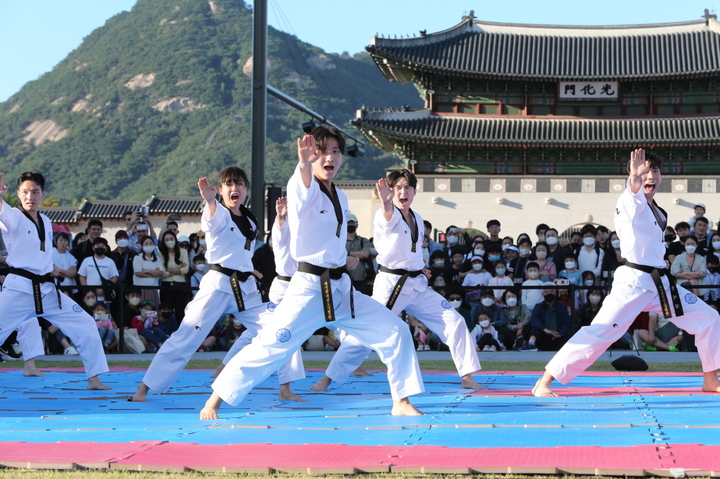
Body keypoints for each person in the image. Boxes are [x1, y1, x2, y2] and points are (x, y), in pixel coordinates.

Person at [199, 127, 425, 419]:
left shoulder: (341, 197)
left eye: (335, 151)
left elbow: (331, 241)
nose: (329, 157)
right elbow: (303, 184)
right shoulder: (303, 185)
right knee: (271, 346)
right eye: (322, 152)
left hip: (341, 290)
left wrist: (345, 261)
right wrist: (304, 164)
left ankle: (402, 401)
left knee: (396, 331)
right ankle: (215, 399)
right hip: (307, 290)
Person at [532, 149, 720, 397]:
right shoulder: (630, 202)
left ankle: (710, 379)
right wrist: (634, 177)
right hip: (633, 282)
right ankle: (545, 381)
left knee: (709, 318)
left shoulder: (659, 211)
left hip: (660, 284)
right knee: (601, 331)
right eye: (645, 171)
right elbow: (633, 191)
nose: (649, 176)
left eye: (654, 170)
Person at [310, 169, 482, 393]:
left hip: (417, 284)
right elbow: (388, 215)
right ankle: (328, 378)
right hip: (392, 285)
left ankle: (467, 376)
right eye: (397, 187)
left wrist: (420, 268)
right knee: (367, 330)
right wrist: (385, 203)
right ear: (390, 192)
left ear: (415, 191)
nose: (403, 192)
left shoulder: (418, 218)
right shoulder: (385, 214)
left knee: (454, 321)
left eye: (407, 187)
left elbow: (409, 252)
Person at [131, 166, 270, 403]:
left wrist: (250, 270)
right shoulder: (219, 213)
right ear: (222, 190)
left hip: (245, 290)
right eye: (228, 184)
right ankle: (144, 388)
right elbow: (212, 221)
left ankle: (283, 386)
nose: (234, 188)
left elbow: (242, 252)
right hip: (218, 286)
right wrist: (210, 200)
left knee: (277, 329)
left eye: (239, 184)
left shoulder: (250, 218)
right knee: (186, 337)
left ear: (246, 189)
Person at [0, 171, 109, 389]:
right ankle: (30, 365)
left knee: (86, 323)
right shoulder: (13, 216)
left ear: (42, 194)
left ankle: (94, 378)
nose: (30, 196)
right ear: (18, 194)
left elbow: (41, 252)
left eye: (35, 192)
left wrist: (51, 268)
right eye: (25, 192)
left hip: (47, 290)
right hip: (19, 289)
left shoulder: (46, 221)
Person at [519, 282, 571, 352]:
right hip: (543, 337)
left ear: (555, 293)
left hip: (558, 338)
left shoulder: (562, 307)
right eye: (546, 292)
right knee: (533, 325)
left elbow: (566, 322)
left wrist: (560, 333)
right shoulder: (538, 306)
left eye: (552, 291)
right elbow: (534, 319)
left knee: (569, 330)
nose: (549, 293)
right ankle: (531, 344)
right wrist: (546, 330)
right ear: (542, 294)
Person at [159, 231, 190, 322]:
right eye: (167, 240)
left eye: (171, 239)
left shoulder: (183, 252)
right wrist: (178, 269)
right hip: (166, 285)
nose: (169, 241)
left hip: (180, 285)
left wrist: (169, 270)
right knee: (167, 310)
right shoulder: (161, 254)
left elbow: (186, 269)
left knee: (180, 311)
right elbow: (162, 272)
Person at [77, 237, 118, 302]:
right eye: (98, 246)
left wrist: (105, 289)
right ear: (93, 248)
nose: (100, 247)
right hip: (89, 298)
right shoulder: (87, 260)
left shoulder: (110, 261)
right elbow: (82, 276)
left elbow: (114, 277)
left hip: (104, 298)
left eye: (102, 246)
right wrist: (87, 290)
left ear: (106, 248)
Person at [132, 235, 163, 306]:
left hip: (153, 289)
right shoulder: (137, 258)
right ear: (142, 245)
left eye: (151, 243)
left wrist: (147, 271)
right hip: (140, 289)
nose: (149, 245)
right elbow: (138, 273)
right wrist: (154, 273)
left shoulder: (157, 258)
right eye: (146, 243)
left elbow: (160, 273)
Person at [345, 213, 372, 294]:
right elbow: (337, 254)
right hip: (344, 278)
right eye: (348, 223)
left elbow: (365, 254)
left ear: (357, 225)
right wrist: (359, 253)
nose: (350, 225)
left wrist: (347, 253)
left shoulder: (364, 241)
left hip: (360, 279)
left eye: (352, 223)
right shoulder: (340, 241)